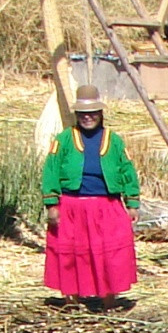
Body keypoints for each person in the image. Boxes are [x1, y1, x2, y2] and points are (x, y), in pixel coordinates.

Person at [39, 86, 141, 313]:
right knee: (71, 253)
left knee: (110, 253)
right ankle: (72, 301)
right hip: (72, 206)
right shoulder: (64, 140)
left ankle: (109, 300)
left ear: (101, 113)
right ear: (77, 115)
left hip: (107, 205)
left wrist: (132, 202)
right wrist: (52, 205)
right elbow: (51, 170)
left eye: (93, 112)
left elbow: (127, 170)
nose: (88, 117)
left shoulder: (114, 141)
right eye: (83, 113)